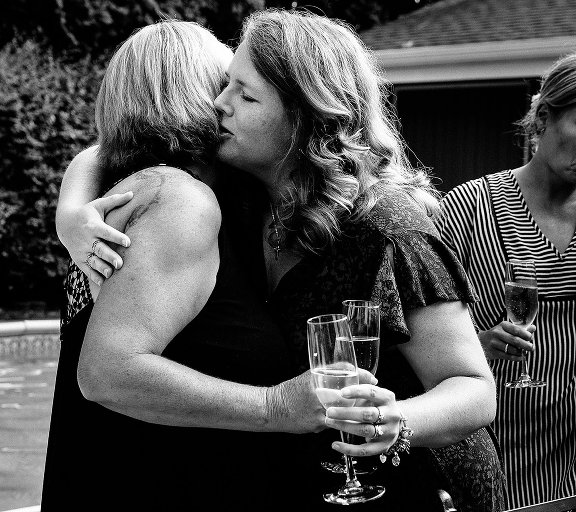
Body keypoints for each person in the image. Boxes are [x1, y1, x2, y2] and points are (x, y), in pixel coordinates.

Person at [58, 9, 505, 511]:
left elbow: (472, 389)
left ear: (306, 118)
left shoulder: (386, 226)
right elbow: (121, 140)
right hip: (309, 488)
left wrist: (394, 422)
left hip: (416, 488)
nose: (218, 105)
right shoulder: (242, 203)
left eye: (244, 95)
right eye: (224, 85)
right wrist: (70, 212)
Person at [43, 19, 368, 511]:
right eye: (224, 85)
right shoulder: (180, 201)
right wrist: (275, 406)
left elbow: (93, 152)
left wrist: (68, 209)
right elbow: (107, 373)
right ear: (195, 96)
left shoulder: (130, 192)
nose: (227, 103)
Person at [438, 52, 576, 509]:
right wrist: (478, 341)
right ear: (543, 117)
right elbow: (412, 346)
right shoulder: (466, 209)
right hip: (496, 461)